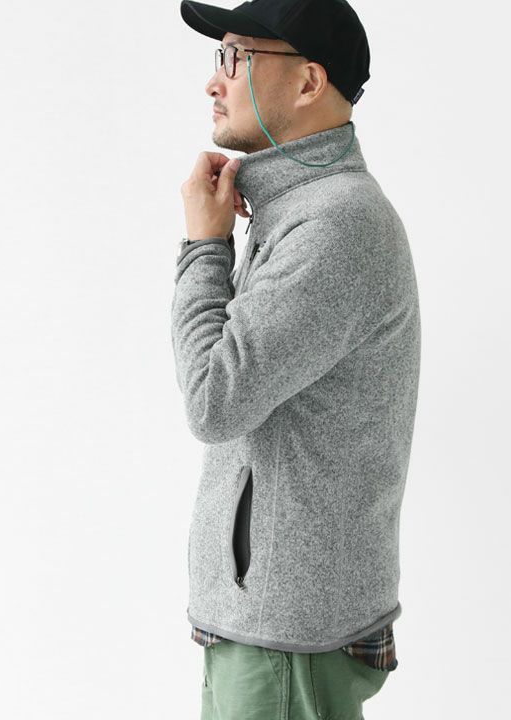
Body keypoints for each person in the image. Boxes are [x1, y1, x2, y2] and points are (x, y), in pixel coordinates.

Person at [172, 0, 421, 717]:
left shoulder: (335, 224)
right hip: (270, 622)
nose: (214, 81)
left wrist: (203, 246)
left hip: (286, 636)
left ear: (309, 82)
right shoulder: (301, 211)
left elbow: (214, 401)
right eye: (218, 58)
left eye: (237, 59)